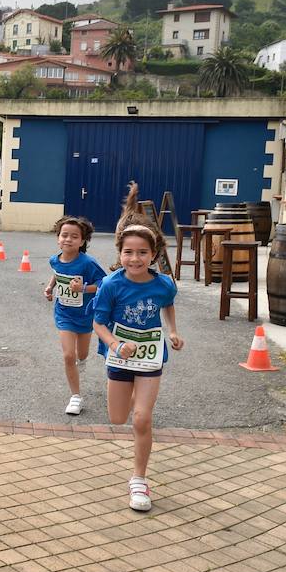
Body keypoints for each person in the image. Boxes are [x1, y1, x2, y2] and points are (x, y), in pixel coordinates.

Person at [92, 199, 183, 512]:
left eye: (142, 252)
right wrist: (116, 345)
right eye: (128, 252)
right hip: (119, 357)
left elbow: (168, 304)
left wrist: (172, 331)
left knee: (142, 418)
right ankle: (133, 398)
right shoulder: (110, 285)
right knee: (118, 418)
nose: (135, 258)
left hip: (150, 359)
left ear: (154, 255)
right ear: (120, 253)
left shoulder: (164, 284)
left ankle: (139, 480)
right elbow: (98, 323)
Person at [44, 217, 106, 415]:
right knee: (69, 355)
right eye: (64, 235)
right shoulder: (55, 259)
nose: (68, 240)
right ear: (58, 238)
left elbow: (104, 284)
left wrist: (84, 288)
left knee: (82, 354)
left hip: (85, 315)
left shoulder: (88, 263)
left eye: (74, 236)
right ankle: (76, 397)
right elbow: (57, 272)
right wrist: (50, 287)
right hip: (64, 313)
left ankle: (83, 361)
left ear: (82, 241)